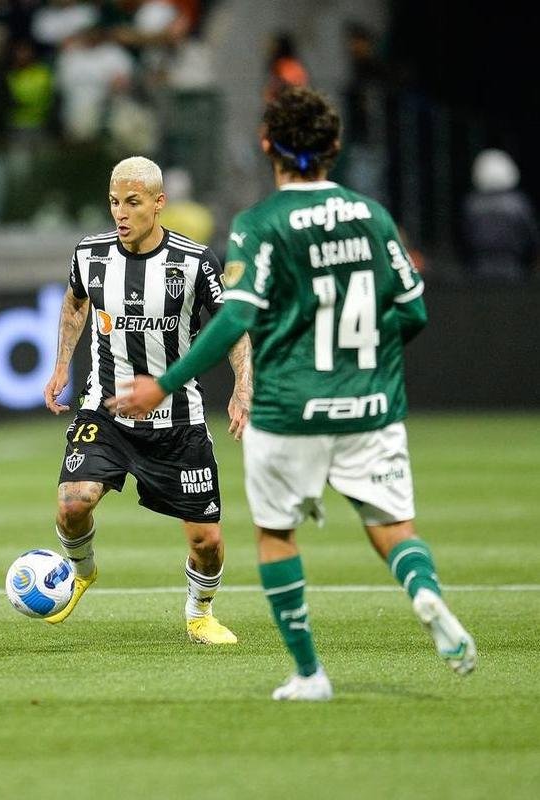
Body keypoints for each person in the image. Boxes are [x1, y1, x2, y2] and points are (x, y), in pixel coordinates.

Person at [115, 87, 477, 700]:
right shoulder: (373, 216)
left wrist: (167, 383)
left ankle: (310, 674)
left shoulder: (262, 223)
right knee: (393, 524)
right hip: (370, 405)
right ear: (334, 147)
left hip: (289, 409)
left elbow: (232, 319)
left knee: (276, 535)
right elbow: (413, 313)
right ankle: (425, 594)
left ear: (267, 146)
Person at [42, 155, 252, 644]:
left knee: (207, 541)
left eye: (132, 202)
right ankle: (82, 570)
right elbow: (76, 302)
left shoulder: (195, 262)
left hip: (177, 420)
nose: (120, 212)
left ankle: (200, 612)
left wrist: (243, 386)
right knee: (73, 503)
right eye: (114, 202)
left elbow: (231, 327)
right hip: (106, 409)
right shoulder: (89, 255)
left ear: (159, 204)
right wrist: (60, 365)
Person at [459, 148, 539, 284]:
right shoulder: (518, 204)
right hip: (513, 270)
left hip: (479, 271)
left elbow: (463, 239)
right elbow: (531, 237)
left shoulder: (471, 205)